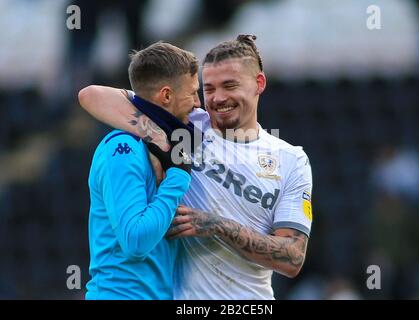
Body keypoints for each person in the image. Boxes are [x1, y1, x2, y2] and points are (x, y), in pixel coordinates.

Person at [79, 35, 313, 299]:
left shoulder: (291, 159)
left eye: (229, 85)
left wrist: (218, 226)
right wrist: (158, 139)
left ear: (258, 83)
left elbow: (292, 259)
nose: (217, 98)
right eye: (208, 88)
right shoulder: (189, 129)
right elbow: (91, 96)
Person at [78, 41, 201, 299]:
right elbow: (135, 241)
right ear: (167, 96)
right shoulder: (123, 148)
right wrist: (178, 176)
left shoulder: (171, 142)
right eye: (192, 93)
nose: (198, 103)